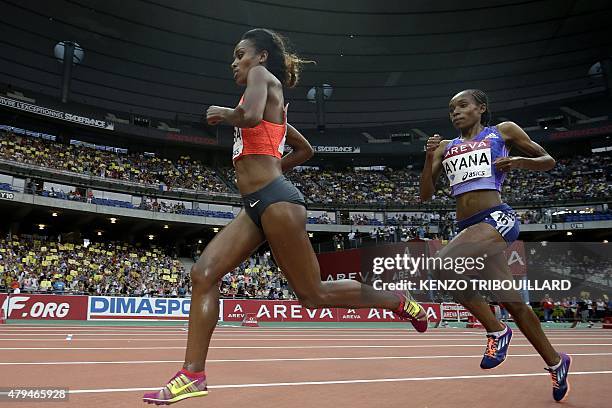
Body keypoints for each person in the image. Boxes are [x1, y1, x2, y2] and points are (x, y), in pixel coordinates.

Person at [143, 28, 428, 406]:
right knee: (203, 274)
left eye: (240, 54)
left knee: (314, 294)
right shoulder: (269, 98)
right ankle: (192, 375)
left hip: (277, 202)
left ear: (260, 57)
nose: (234, 61)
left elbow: (247, 116)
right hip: (256, 206)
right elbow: (304, 148)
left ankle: (398, 301)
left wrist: (227, 115)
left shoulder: (262, 78)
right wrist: (274, 161)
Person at [419, 89, 570, 402]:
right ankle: (557, 362)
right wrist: (428, 156)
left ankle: (496, 330)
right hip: (467, 227)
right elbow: (425, 194)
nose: (456, 112)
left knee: (441, 265)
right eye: (451, 109)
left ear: (481, 108)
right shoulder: (446, 147)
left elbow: (547, 160)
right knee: (514, 303)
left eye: (463, 106)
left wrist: (518, 161)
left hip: (497, 218)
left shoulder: (502, 131)